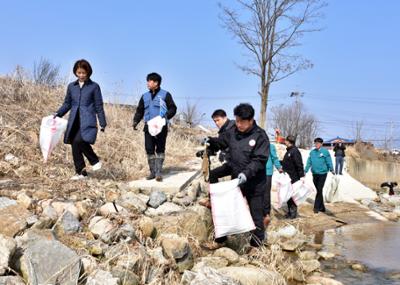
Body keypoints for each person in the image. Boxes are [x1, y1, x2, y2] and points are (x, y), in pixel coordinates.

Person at [204, 103, 270, 249]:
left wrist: (246, 174)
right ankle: (220, 240)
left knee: (256, 216)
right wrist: (210, 141)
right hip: (236, 180)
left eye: (242, 122)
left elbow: (259, 160)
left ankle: (256, 246)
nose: (238, 124)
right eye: (237, 120)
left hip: (254, 183)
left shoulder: (260, 136)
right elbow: (221, 142)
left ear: (251, 120)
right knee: (226, 210)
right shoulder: (233, 131)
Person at [55, 59, 106, 180]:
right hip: (74, 120)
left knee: (80, 140)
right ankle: (81, 173)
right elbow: (67, 104)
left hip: (87, 119)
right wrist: (57, 114)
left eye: (84, 73)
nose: (81, 75)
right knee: (74, 144)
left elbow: (99, 105)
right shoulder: (71, 87)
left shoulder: (94, 87)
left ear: (88, 72)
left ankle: (94, 160)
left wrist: (102, 122)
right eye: (79, 72)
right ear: (75, 72)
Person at [132, 73, 177, 182]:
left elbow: (173, 108)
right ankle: (152, 172)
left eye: (150, 81)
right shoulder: (144, 96)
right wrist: (135, 121)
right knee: (149, 149)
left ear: (156, 83)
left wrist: (166, 116)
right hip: (148, 126)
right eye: (147, 81)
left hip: (161, 126)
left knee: (160, 149)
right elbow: (140, 110)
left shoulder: (165, 95)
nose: (148, 83)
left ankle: (158, 173)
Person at [196, 109, 235, 208]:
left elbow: (224, 142)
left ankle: (221, 202)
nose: (216, 123)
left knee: (236, 187)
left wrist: (211, 139)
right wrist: (209, 149)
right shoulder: (224, 130)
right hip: (231, 162)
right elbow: (220, 145)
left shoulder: (232, 128)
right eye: (215, 121)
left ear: (225, 118)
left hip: (238, 163)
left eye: (218, 120)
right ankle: (214, 200)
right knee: (213, 174)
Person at [305, 137, 334, 214]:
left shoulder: (325, 152)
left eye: (318, 143)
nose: (316, 144)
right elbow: (309, 162)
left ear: (321, 144)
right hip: (314, 174)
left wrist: (331, 169)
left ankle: (316, 207)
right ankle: (322, 207)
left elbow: (329, 161)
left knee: (319, 189)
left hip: (322, 173)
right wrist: (305, 170)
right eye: (315, 143)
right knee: (319, 190)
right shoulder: (312, 152)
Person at [280, 135, 304, 219]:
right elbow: (286, 162)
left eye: (286, 140)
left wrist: (302, 176)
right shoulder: (289, 151)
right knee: (288, 195)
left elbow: (299, 164)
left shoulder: (295, 151)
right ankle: (290, 212)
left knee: (292, 196)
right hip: (288, 177)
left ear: (289, 141)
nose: (285, 142)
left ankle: (293, 214)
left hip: (294, 177)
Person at [264, 143, 283, 226]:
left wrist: (279, 167)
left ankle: (266, 213)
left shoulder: (270, 146)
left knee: (266, 193)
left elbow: (274, 157)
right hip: (257, 172)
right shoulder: (256, 144)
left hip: (267, 172)